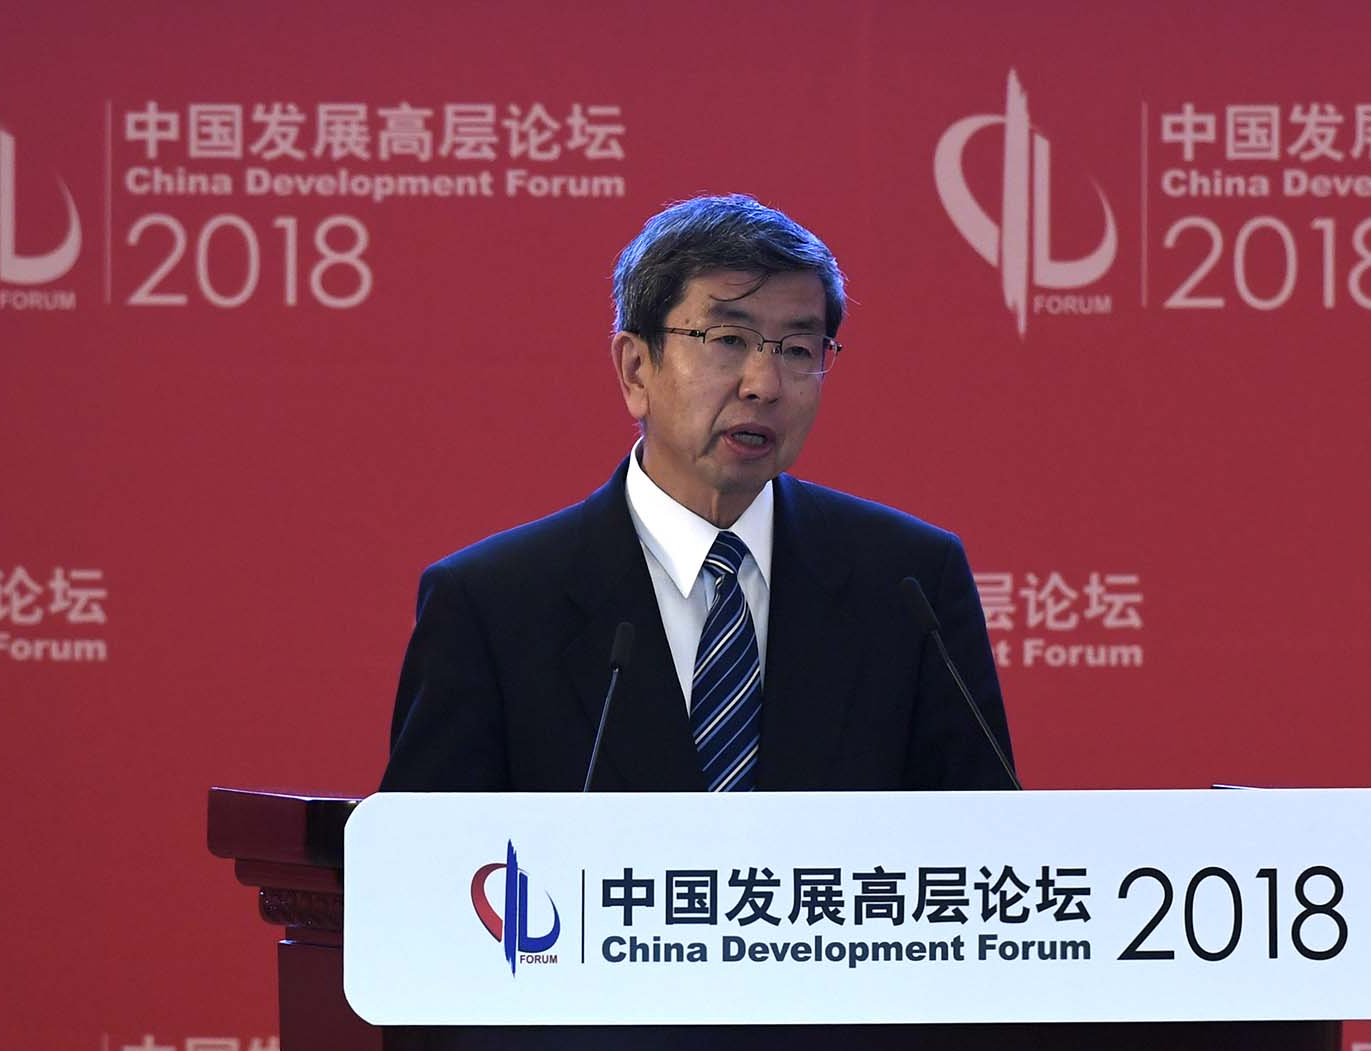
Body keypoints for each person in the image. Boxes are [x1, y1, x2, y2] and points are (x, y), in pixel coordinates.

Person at [381, 194, 1012, 794]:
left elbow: (987, 844)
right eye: (728, 341)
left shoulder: (909, 584)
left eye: (798, 350)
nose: (765, 385)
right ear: (636, 369)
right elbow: (426, 858)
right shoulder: (492, 605)